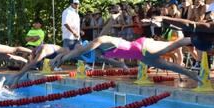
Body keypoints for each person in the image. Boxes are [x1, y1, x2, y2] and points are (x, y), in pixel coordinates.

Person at [51, 35, 201, 83]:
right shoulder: (102, 54)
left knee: (172, 45)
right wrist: (61, 56)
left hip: (144, 46)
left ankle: (197, 38)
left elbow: (80, 51)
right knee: (170, 67)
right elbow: (117, 62)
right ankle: (197, 78)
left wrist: (62, 58)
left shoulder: (102, 40)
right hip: (142, 56)